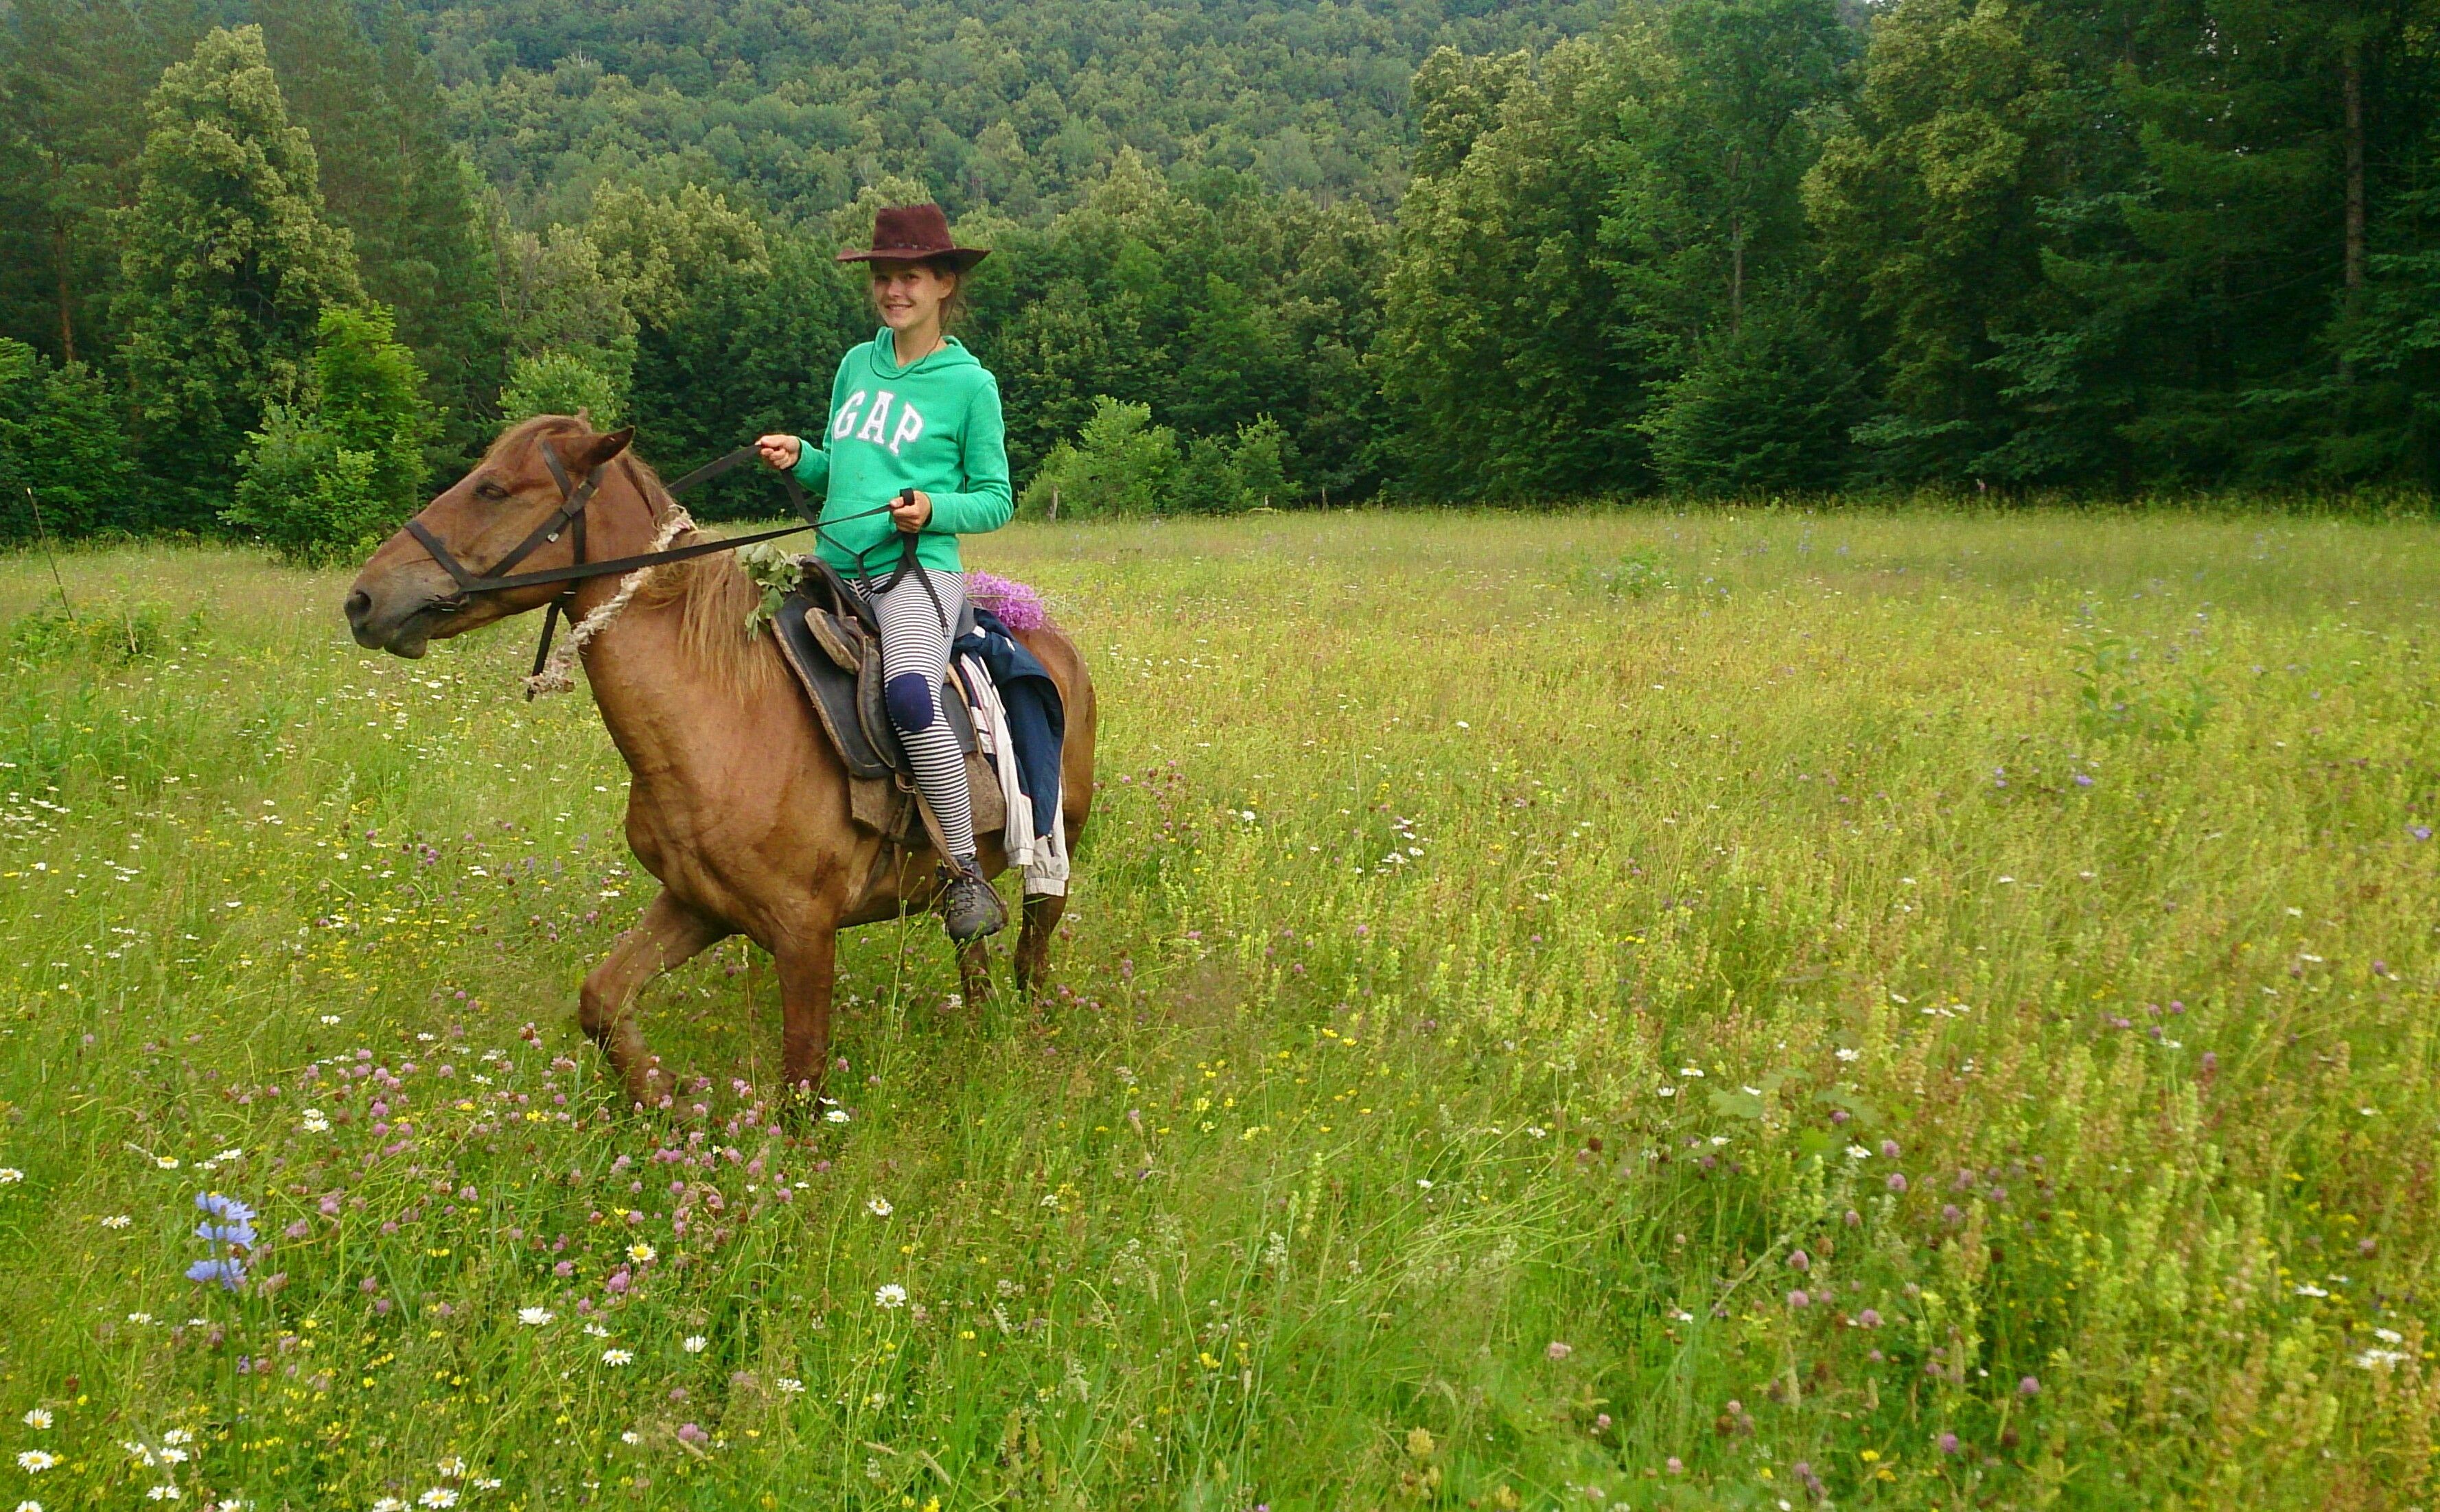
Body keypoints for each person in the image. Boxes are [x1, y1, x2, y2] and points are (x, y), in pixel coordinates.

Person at [756, 203, 1012, 942]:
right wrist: (802, 457)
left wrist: (932, 509)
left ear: (943, 284)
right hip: (831, 566)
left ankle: (963, 872)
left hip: (914, 570)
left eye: (909, 277)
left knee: (908, 694)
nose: (893, 291)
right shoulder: (855, 364)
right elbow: (848, 468)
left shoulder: (970, 385)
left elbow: (996, 499)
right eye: (883, 278)